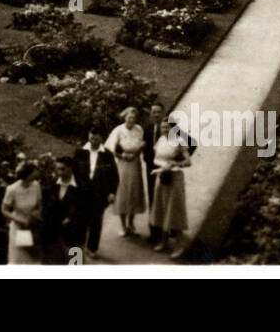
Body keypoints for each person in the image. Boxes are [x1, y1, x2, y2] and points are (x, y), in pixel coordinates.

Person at [150, 113, 193, 257]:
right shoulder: (161, 139)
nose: (164, 129)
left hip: (175, 177)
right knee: (162, 208)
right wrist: (162, 167)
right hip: (161, 176)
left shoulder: (180, 140)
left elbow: (188, 162)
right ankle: (164, 242)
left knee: (174, 211)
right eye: (162, 127)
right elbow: (156, 158)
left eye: (167, 126)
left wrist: (174, 163)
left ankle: (179, 246)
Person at [74, 129, 120, 256]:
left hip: (99, 194)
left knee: (96, 222)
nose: (93, 140)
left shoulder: (107, 155)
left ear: (102, 139)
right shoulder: (80, 152)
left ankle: (92, 248)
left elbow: (114, 176)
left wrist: (112, 193)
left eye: (96, 138)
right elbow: (73, 172)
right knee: (80, 220)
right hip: (82, 193)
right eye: (91, 138)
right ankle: (79, 247)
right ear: (88, 137)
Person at [106, 107, 148, 236]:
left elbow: (141, 145)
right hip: (123, 164)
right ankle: (123, 226)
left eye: (134, 118)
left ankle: (131, 223)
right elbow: (111, 148)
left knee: (134, 192)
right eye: (129, 118)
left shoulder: (139, 129)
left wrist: (135, 155)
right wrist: (123, 156)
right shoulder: (118, 130)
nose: (131, 120)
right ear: (124, 117)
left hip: (135, 164)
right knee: (123, 193)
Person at [42, 156, 85, 264]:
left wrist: (71, 219)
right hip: (54, 233)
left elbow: (86, 209)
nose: (59, 172)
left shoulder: (82, 186)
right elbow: (46, 206)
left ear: (71, 168)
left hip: (74, 233)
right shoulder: (52, 184)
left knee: (75, 264)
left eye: (62, 169)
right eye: (57, 169)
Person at [2, 161, 43, 265]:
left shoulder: (36, 186)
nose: (37, 173)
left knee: (33, 259)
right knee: (19, 260)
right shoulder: (12, 189)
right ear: (28, 174)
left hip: (32, 227)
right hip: (18, 227)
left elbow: (39, 205)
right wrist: (20, 220)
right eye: (35, 171)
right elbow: (4, 210)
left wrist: (36, 215)